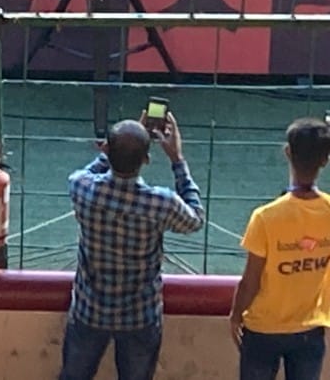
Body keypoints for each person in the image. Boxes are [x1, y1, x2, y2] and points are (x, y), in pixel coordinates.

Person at [59, 112, 204, 380]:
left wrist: (110, 151)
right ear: (146, 160)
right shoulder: (162, 203)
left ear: (105, 149)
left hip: (89, 310)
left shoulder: (81, 188)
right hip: (140, 314)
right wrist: (177, 160)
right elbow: (195, 219)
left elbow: (86, 172)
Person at [229, 117, 330, 380]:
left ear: (287, 152)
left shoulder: (265, 217)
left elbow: (250, 281)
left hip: (262, 330)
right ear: (325, 160)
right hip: (309, 328)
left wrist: (236, 314)